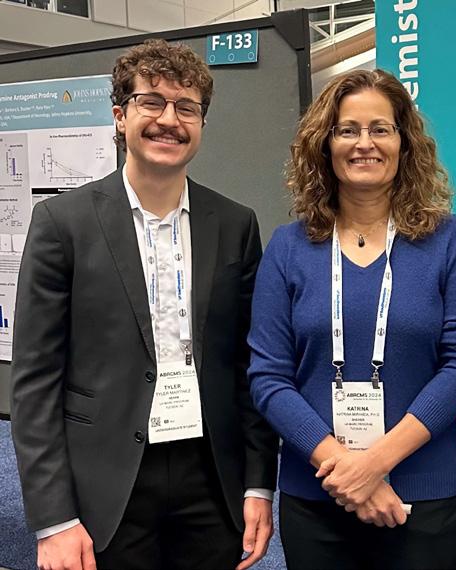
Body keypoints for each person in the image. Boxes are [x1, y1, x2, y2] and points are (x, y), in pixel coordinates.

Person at [11, 39, 278, 570]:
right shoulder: (63, 224)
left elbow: (248, 367)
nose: (169, 120)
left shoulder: (235, 224)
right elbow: (35, 382)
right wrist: (54, 519)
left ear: (201, 123)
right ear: (120, 116)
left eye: (186, 107)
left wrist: (258, 484)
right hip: (106, 481)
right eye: (151, 102)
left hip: (211, 477)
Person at [247, 69, 456, 570]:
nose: (365, 143)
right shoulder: (288, 248)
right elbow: (268, 377)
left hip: (425, 498)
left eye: (381, 128)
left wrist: (374, 464)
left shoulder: (448, 240)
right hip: (318, 498)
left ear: (404, 142)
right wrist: (345, 469)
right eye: (347, 130)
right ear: (325, 144)